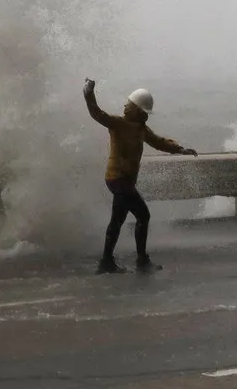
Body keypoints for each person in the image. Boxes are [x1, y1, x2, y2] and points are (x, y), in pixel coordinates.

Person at [82, 78, 198, 274]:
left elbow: (158, 142)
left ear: (136, 109)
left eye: (129, 103)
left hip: (122, 180)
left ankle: (107, 262)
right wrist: (88, 94)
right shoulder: (118, 124)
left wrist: (180, 149)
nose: (125, 105)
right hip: (118, 179)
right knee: (143, 215)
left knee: (117, 220)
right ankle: (141, 261)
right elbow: (97, 114)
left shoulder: (140, 129)